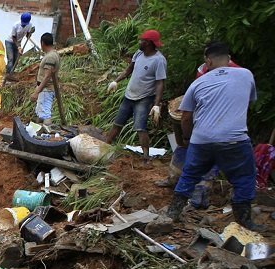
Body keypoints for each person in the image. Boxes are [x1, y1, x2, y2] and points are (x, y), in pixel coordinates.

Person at [168, 42, 259, 230]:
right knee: (244, 176)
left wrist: (188, 139)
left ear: (208, 61)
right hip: (234, 139)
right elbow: (246, 104)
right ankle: (244, 220)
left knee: (189, 175)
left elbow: (185, 117)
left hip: (202, 140)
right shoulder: (246, 75)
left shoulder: (198, 83)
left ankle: (173, 214)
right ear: (228, 58)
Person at [104, 29, 167, 159]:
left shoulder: (159, 60)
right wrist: (115, 81)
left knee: (140, 127)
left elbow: (160, 83)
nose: (140, 42)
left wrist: (156, 105)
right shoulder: (139, 53)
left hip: (144, 98)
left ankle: (146, 157)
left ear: (148, 43)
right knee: (118, 123)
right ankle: (104, 147)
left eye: (142, 40)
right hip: (129, 95)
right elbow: (129, 70)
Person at [30, 33, 60, 123]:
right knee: (40, 113)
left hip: (46, 89)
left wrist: (37, 91)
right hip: (45, 89)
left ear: (42, 43)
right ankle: (39, 133)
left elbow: (47, 77)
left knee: (45, 115)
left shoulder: (50, 57)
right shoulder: (54, 54)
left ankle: (47, 135)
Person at [7, 12, 35, 77]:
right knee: (10, 59)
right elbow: (14, 38)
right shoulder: (16, 25)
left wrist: (29, 34)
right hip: (10, 42)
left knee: (16, 60)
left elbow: (28, 34)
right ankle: (8, 75)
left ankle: (11, 74)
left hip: (18, 42)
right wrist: (19, 47)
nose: (24, 25)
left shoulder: (29, 25)